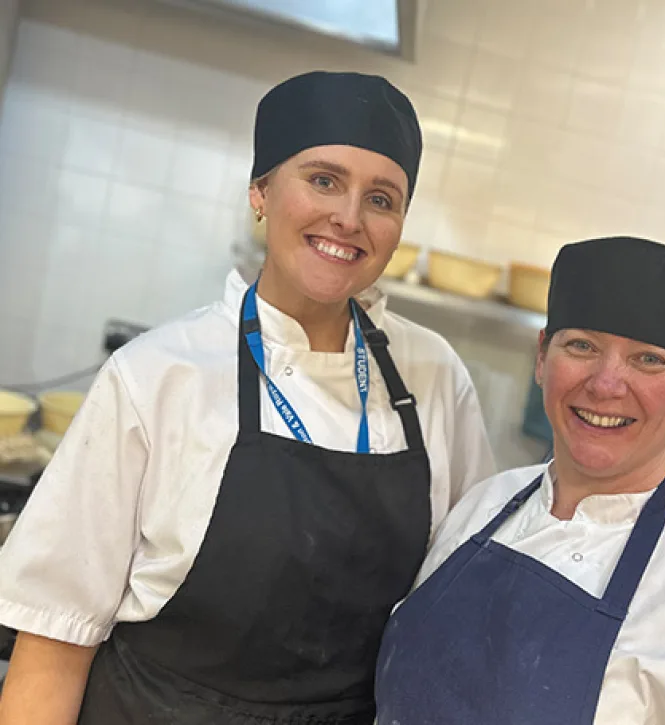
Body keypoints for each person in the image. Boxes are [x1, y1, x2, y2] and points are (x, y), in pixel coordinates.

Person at [0, 71, 495, 725]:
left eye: (381, 197)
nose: (348, 218)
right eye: (323, 180)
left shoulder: (435, 376)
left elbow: (463, 608)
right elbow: (54, 643)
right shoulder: (156, 377)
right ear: (261, 191)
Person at [375, 236, 665, 724]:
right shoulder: (484, 504)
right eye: (582, 346)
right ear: (541, 356)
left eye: (648, 360)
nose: (606, 384)